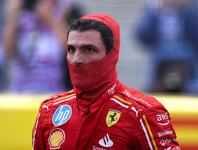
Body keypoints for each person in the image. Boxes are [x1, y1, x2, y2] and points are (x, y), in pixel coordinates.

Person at [32, 13, 180, 150]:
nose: (76, 59)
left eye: (88, 50)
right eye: (71, 49)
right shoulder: (49, 110)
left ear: (111, 55)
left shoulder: (143, 113)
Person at [2, 0, 73, 93]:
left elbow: (73, 50)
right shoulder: (22, 17)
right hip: (21, 95)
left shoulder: (66, 12)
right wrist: (14, 12)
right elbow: (6, 51)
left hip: (52, 93)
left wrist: (50, 20)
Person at [135, 0, 198, 93]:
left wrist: (187, 10)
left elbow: (197, 37)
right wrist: (156, 13)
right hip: (160, 60)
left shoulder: (193, 9)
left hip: (189, 61)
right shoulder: (154, 9)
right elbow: (143, 36)